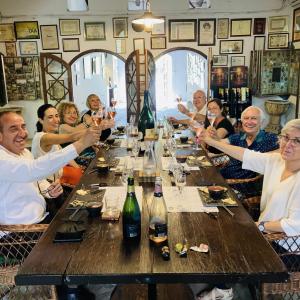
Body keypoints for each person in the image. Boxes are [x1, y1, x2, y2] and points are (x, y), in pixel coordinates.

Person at [195, 119, 300, 299]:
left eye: (297, 141)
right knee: (218, 226)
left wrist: (259, 226)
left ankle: (223, 290)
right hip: (264, 231)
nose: (288, 144)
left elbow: (296, 225)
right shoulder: (277, 161)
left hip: (288, 246)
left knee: (228, 239)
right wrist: (211, 141)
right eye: (285, 137)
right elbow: (246, 154)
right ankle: (223, 286)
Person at [0, 111, 101, 225]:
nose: (22, 133)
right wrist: (82, 143)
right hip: (20, 233)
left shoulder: (24, 153)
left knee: (93, 213)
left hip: (44, 216)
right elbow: (32, 170)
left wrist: (49, 190)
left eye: (23, 127)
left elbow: (37, 180)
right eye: (13, 129)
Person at [207, 106, 279, 179]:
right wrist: (214, 135)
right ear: (242, 121)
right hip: (222, 176)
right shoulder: (238, 137)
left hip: (242, 185)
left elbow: (281, 154)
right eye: (246, 118)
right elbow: (220, 142)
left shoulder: (269, 138)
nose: (249, 122)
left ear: (261, 122)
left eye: (254, 118)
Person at [31, 104, 85, 185]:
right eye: (50, 117)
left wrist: (78, 169)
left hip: (59, 177)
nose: (56, 120)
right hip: (49, 185)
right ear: (41, 120)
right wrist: (95, 127)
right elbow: (72, 137)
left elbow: (65, 154)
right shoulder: (43, 137)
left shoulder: (50, 135)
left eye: (56, 116)